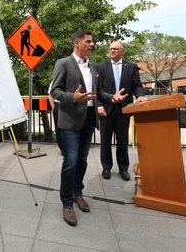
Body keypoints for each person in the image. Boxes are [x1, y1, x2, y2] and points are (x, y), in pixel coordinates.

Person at [50, 30, 127, 226]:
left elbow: (97, 91)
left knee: (82, 160)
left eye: (92, 42)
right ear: (77, 43)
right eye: (88, 41)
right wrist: (73, 97)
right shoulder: (63, 63)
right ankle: (67, 203)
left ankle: (77, 193)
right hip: (70, 121)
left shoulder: (93, 67)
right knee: (71, 161)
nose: (92, 44)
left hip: (89, 122)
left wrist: (112, 98)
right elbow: (55, 91)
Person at [97, 41, 148, 181]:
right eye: (110, 49)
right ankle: (106, 168)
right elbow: (97, 89)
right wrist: (99, 106)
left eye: (115, 49)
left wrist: (140, 96)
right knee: (105, 141)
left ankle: (123, 169)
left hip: (124, 109)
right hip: (106, 110)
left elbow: (137, 85)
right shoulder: (101, 67)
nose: (112, 51)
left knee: (122, 141)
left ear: (122, 51)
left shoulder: (131, 67)